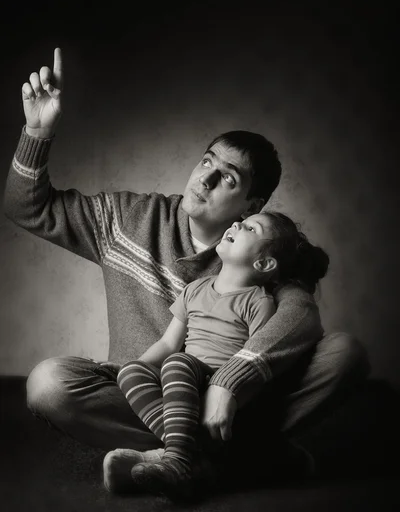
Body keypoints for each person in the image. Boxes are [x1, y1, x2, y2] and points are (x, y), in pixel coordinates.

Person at [4, 48, 369, 492]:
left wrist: (229, 383)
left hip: (231, 401)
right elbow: (26, 208)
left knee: (345, 353)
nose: (206, 179)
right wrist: (37, 133)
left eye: (228, 178)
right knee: (47, 384)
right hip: (145, 396)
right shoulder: (126, 219)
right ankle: (236, 457)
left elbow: (301, 316)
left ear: (253, 206)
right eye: (206, 161)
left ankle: (186, 459)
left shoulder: (260, 253)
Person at [112, 210, 329, 499]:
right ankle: (193, 453)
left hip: (218, 388)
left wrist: (232, 391)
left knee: (178, 362)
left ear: (263, 262)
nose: (237, 223)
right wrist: (131, 368)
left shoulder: (258, 301)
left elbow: (252, 354)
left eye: (251, 228)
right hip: (183, 381)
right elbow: (167, 344)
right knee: (131, 371)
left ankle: (176, 458)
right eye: (241, 221)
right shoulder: (194, 289)